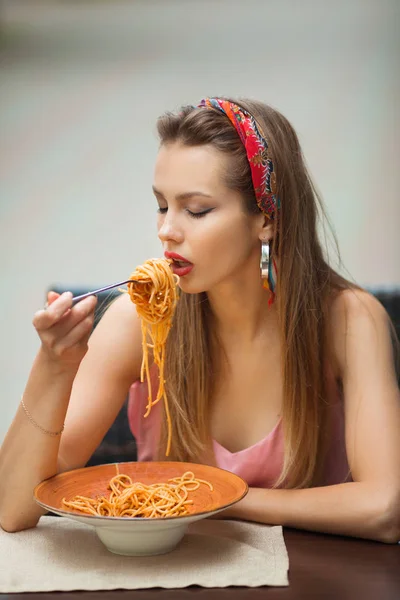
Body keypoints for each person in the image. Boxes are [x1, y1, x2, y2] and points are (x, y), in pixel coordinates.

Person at [0, 97, 399, 542]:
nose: (166, 230)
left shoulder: (350, 321)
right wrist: (52, 368)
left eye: (196, 210)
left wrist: (216, 500)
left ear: (266, 219)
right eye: (161, 205)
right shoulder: (138, 320)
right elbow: (13, 508)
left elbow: (384, 508)